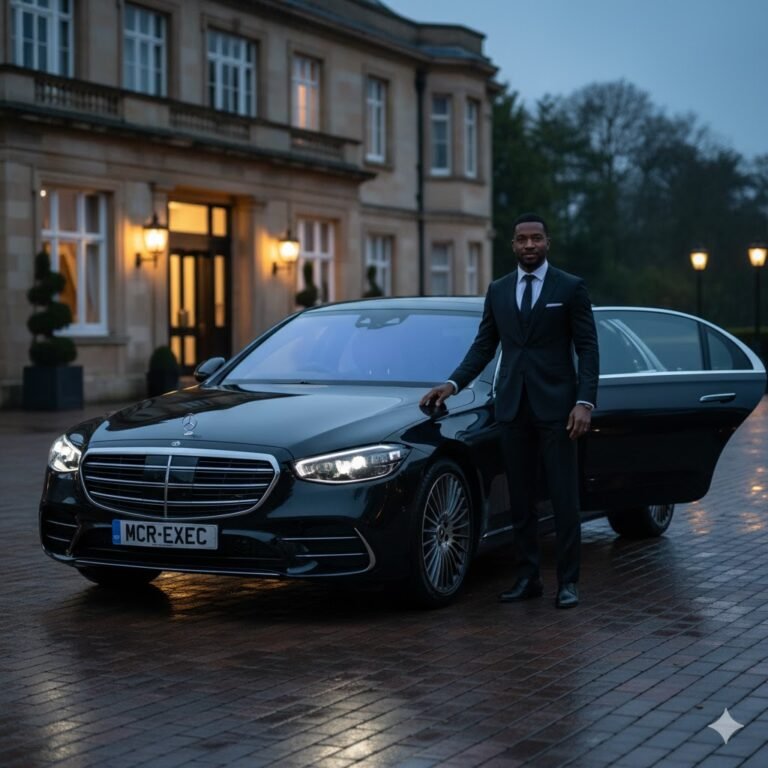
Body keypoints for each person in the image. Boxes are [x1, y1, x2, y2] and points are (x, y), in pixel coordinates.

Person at [420, 213, 599, 609]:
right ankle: (527, 578)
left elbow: (588, 348)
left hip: (558, 410)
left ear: (547, 242)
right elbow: (483, 346)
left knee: (563, 498)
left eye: (536, 238)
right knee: (520, 499)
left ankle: (568, 582)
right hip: (512, 409)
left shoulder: (570, 287)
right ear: (513, 245)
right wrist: (452, 384)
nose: (529, 245)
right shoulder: (498, 290)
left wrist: (584, 402)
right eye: (522, 239)